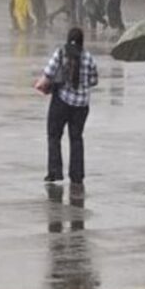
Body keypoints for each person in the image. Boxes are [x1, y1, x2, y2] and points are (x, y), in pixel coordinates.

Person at [37, 28, 99, 190]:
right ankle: (77, 175)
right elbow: (94, 80)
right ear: (82, 41)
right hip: (81, 106)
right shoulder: (88, 58)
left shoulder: (60, 53)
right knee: (76, 138)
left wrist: (42, 85)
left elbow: (48, 74)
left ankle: (55, 172)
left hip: (61, 102)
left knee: (54, 136)